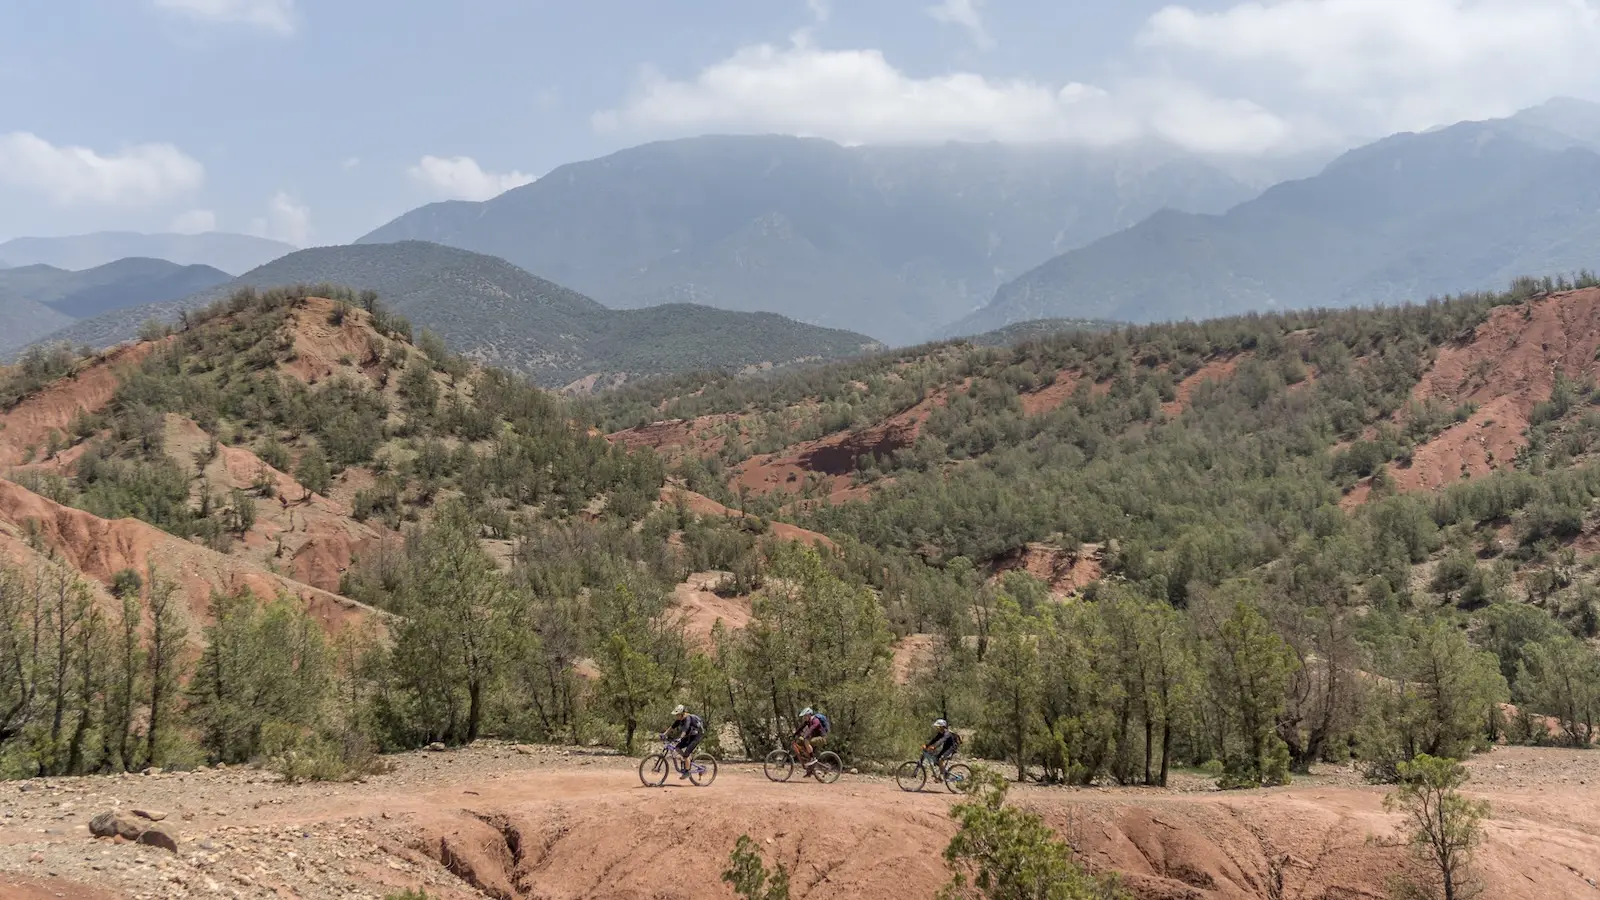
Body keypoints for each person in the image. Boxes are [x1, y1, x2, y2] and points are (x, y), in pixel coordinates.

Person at [661, 704, 705, 779]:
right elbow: (672, 727)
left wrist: (680, 738)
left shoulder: (687, 718)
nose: (676, 716)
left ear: (682, 714)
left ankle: (687, 771)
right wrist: (664, 734)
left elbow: (685, 729)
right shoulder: (679, 719)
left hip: (697, 736)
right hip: (690, 735)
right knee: (677, 748)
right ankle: (687, 760)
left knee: (686, 754)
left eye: (678, 714)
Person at [793, 707, 830, 771]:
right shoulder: (807, 721)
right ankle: (809, 767)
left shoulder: (815, 720)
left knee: (806, 740)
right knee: (800, 741)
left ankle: (813, 758)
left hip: (821, 738)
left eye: (805, 716)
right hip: (815, 738)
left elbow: (812, 728)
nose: (804, 717)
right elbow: (800, 728)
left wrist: (806, 735)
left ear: (809, 715)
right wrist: (794, 735)